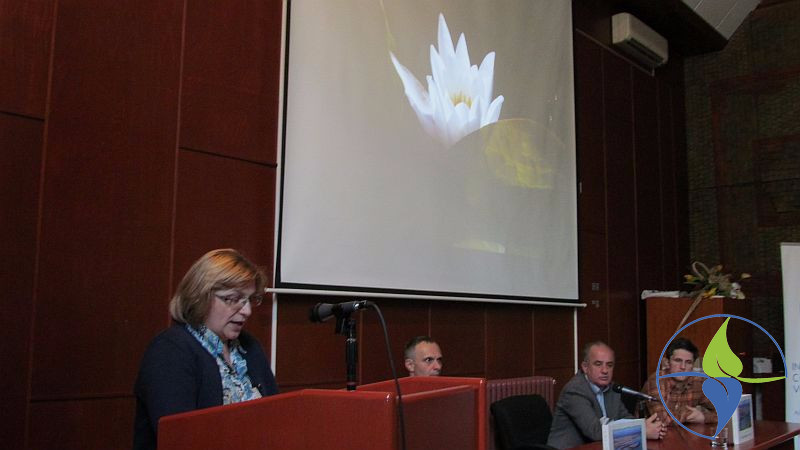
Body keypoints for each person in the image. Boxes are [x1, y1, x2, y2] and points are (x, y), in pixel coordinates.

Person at [133, 249, 278, 449]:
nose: (247, 311)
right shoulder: (170, 350)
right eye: (233, 299)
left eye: (249, 299)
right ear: (200, 296)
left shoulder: (249, 346)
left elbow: (277, 417)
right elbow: (179, 439)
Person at [547, 342, 665, 449]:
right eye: (598, 364)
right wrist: (641, 431)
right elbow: (595, 432)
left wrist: (649, 426)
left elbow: (625, 418)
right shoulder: (574, 391)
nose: (605, 370)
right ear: (585, 367)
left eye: (609, 365)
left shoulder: (612, 388)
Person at [641, 337, 717, 425]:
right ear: (667, 363)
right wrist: (688, 414)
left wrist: (704, 417)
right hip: (650, 432)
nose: (683, 367)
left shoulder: (698, 382)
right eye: (678, 361)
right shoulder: (656, 381)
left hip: (684, 431)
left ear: (692, 366)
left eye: (688, 362)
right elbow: (662, 420)